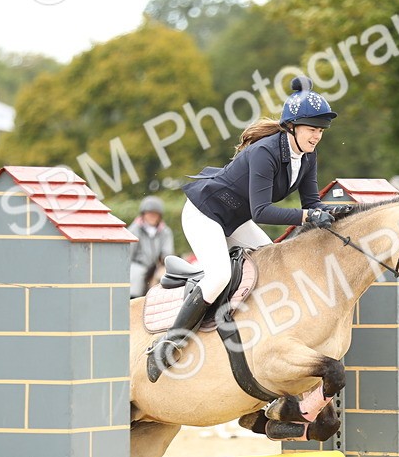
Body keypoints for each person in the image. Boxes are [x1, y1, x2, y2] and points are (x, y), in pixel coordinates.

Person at [146, 75, 350, 381]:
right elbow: (263, 211)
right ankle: (169, 342)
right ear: (292, 127)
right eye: (312, 129)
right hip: (205, 213)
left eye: (321, 130)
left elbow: (311, 201)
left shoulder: (308, 156)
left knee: (273, 262)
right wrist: (308, 218)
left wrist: (337, 212)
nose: (317, 136)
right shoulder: (265, 152)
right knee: (219, 276)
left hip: (235, 219)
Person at [130, 195, 175, 299]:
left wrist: (163, 265)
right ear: (143, 214)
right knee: (136, 273)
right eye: (149, 214)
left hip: (155, 265)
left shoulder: (165, 232)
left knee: (164, 275)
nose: (152, 217)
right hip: (139, 264)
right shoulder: (134, 230)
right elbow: (129, 253)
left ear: (159, 216)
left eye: (155, 214)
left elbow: (167, 252)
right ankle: (134, 298)